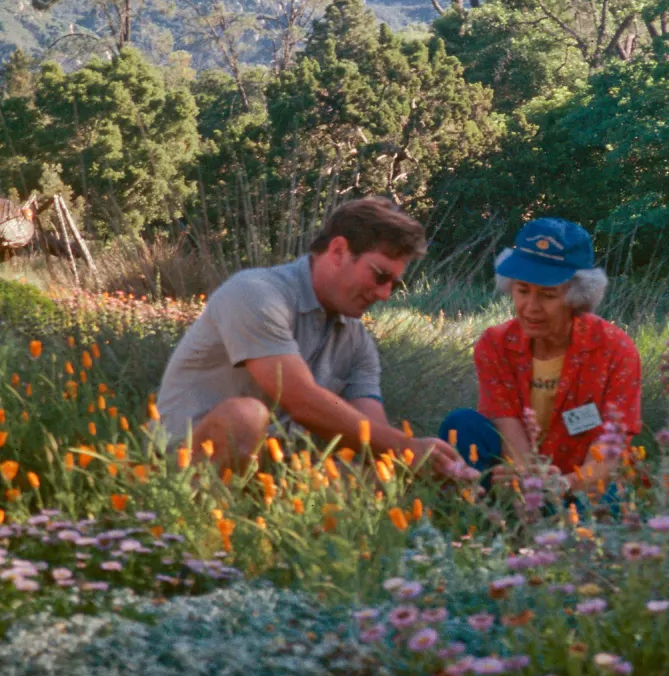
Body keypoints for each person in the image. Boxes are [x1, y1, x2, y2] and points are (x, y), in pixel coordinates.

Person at [156, 197, 461, 474]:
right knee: (245, 416)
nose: (384, 294)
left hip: (276, 469)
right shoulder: (255, 293)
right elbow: (299, 398)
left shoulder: (357, 342)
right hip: (181, 465)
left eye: (393, 285)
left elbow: (372, 433)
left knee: (378, 478)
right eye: (380, 276)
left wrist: (426, 463)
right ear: (338, 250)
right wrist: (408, 449)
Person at [440, 218, 641, 479]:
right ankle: (478, 514)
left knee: (610, 493)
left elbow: (612, 443)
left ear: (577, 297)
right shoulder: (495, 344)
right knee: (462, 423)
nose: (531, 307)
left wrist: (566, 487)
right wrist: (529, 481)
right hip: (518, 475)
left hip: (585, 481)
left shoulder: (616, 349)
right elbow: (505, 421)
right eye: (522, 291)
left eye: (548, 295)